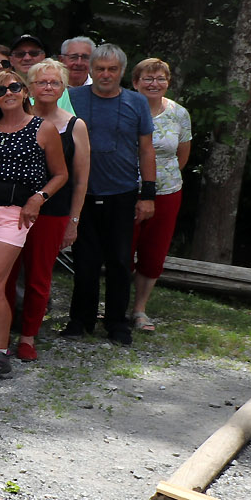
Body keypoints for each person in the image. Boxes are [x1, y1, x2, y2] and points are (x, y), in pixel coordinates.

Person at [0, 67, 68, 381]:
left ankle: (1, 355)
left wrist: (39, 198)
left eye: (14, 87)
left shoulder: (43, 128)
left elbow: (61, 174)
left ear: (25, 92)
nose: (8, 93)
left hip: (15, 212)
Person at [63, 44, 156, 346]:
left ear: (122, 72)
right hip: (82, 192)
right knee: (84, 261)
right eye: (100, 68)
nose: (105, 74)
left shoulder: (137, 102)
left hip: (123, 192)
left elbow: (146, 148)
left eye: (112, 69)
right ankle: (80, 320)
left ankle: (117, 323)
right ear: (90, 69)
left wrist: (148, 194)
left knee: (119, 260)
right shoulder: (73, 98)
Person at [10, 59, 88, 360]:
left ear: (63, 88)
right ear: (29, 87)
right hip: (12, 209)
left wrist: (74, 220)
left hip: (54, 212)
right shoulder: (15, 118)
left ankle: (28, 336)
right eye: (41, 82)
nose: (47, 87)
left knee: (39, 277)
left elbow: (81, 180)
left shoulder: (74, 126)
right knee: (3, 274)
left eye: (54, 82)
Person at [128, 57, 191, 334]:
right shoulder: (124, 107)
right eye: (148, 78)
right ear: (135, 82)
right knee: (121, 249)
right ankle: (114, 305)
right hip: (124, 190)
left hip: (166, 192)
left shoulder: (179, 114)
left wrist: (157, 182)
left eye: (160, 78)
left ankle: (139, 309)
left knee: (153, 253)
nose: (154, 83)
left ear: (168, 82)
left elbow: (183, 155)